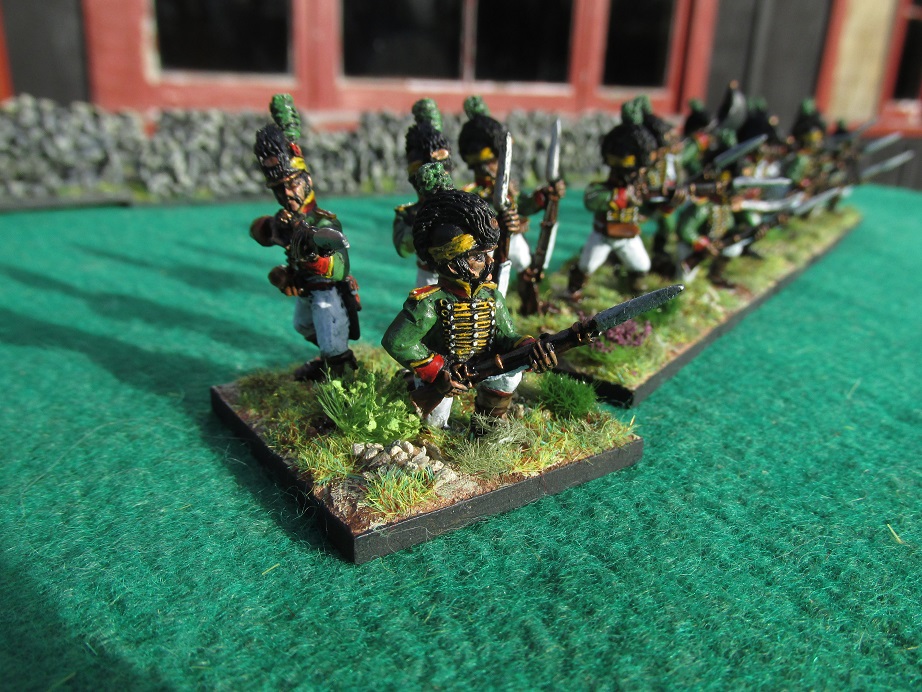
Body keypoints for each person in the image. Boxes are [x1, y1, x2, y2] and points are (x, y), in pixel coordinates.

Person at [382, 163, 556, 435]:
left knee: (510, 376)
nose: (489, 262)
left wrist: (529, 348)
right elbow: (397, 341)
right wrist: (438, 370)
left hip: (486, 365)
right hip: (445, 377)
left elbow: (506, 335)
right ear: (453, 265)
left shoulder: (491, 296)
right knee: (434, 425)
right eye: (478, 257)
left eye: (487, 254)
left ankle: (488, 422)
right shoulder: (429, 303)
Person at [250, 94, 359, 381]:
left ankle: (341, 380)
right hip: (305, 288)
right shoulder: (285, 219)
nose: (287, 193)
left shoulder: (323, 220)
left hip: (327, 290)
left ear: (306, 180)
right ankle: (328, 359)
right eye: (279, 188)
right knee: (304, 326)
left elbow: (340, 267)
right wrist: (285, 268)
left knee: (333, 342)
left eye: (292, 184)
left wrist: (311, 254)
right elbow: (259, 232)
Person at [457, 95, 565, 298]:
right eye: (487, 163)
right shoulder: (472, 194)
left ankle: (528, 302)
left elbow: (523, 205)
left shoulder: (508, 190)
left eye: (494, 162)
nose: (491, 168)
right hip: (487, 245)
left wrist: (543, 197)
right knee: (483, 278)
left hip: (513, 238)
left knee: (528, 269)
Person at [568, 100, 657, 299]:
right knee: (587, 265)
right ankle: (574, 290)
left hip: (628, 234)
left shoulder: (641, 186)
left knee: (641, 265)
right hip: (604, 234)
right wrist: (624, 197)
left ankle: (636, 291)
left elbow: (651, 207)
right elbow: (592, 199)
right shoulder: (605, 189)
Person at [393, 98, 454, 287]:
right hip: (428, 276)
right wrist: (422, 225)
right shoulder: (409, 214)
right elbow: (403, 248)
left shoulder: (459, 204)